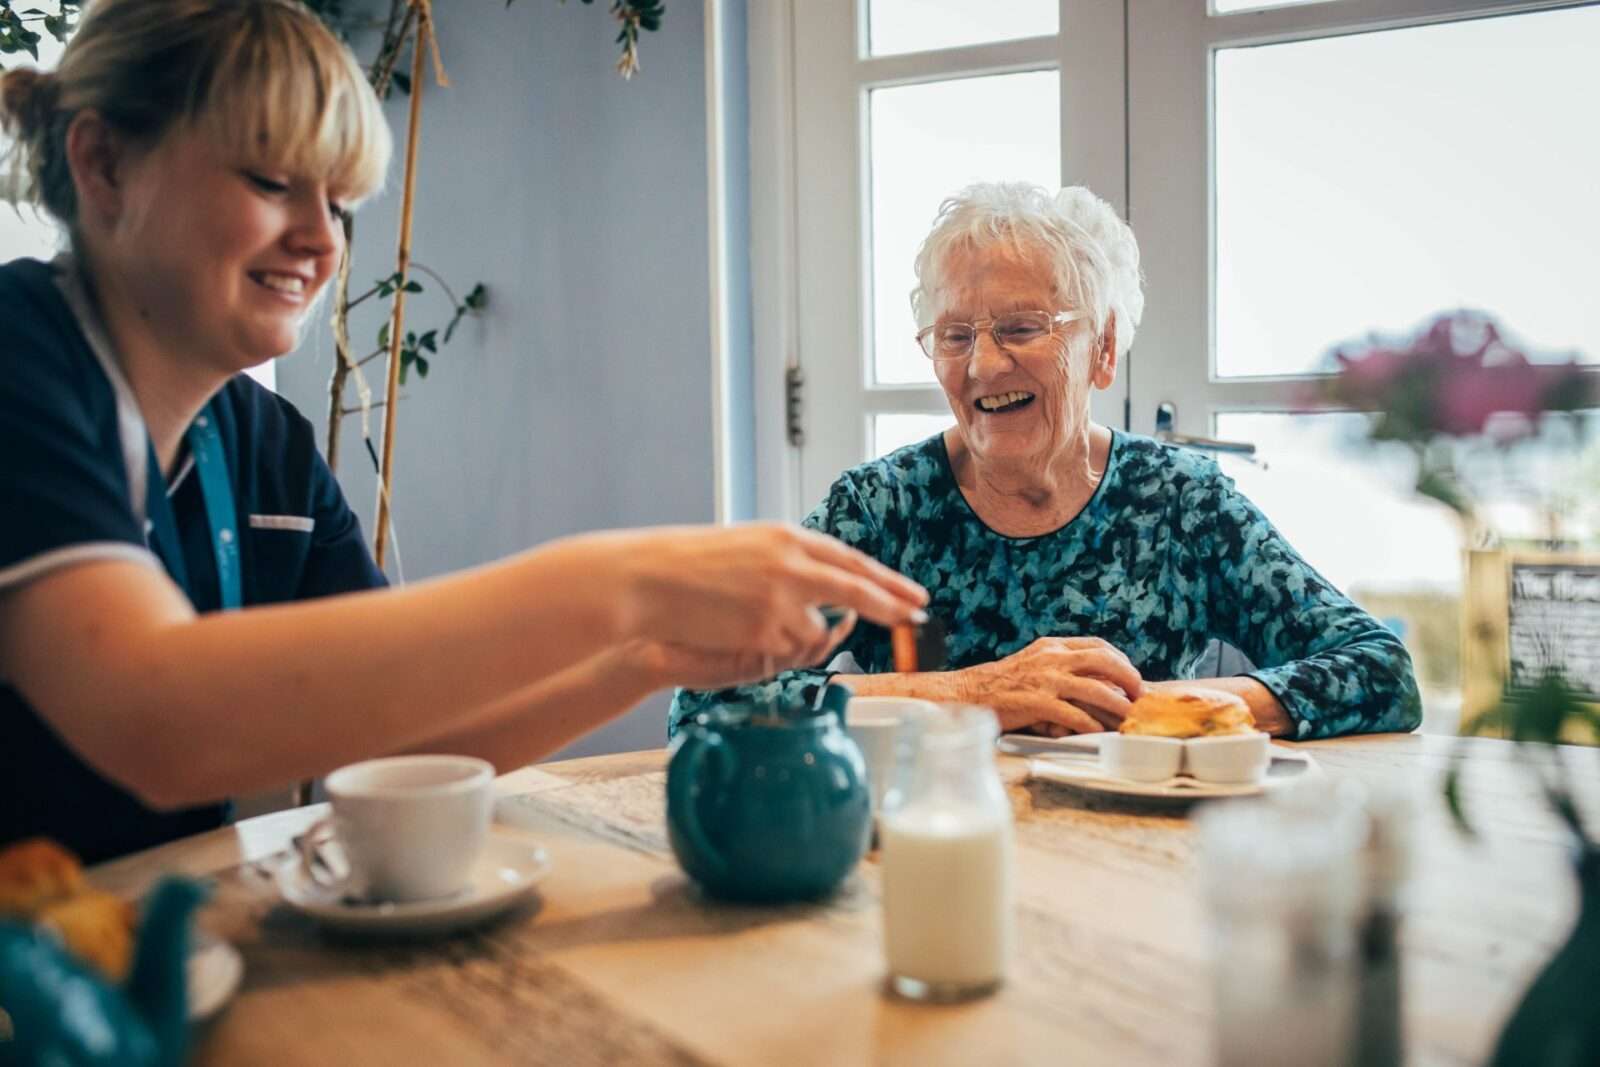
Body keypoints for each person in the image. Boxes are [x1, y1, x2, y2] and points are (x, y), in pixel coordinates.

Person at [0, 0, 927, 864]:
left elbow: (383, 744)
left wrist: (643, 661)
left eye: (339, 203)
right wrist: (632, 580)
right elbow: (160, 720)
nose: (323, 245)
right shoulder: (19, 357)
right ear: (104, 164)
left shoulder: (265, 444)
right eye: (273, 181)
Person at [671, 182, 1421, 741]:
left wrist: (1188, 708)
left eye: (1021, 328)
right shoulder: (882, 509)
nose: (983, 365)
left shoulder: (1182, 504)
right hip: (935, 846)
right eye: (955, 334)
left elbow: (1380, 669)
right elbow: (707, 702)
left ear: (1101, 348)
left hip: (1142, 867)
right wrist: (973, 694)